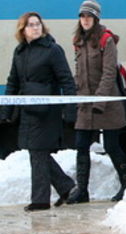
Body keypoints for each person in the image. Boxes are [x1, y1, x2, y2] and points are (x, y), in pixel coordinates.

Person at [0, 12, 77, 211]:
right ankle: (66, 187)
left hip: (46, 110)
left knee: (38, 152)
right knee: (36, 151)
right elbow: (13, 82)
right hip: (27, 109)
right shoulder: (20, 52)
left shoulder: (53, 50)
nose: (36, 28)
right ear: (22, 30)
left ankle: (41, 200)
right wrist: (6, 111)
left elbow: (66, 80)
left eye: (38, 24)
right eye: (31, 25)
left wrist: (70, 110)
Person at [67, 0, 126, 204]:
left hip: (107, 103)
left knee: (112, 145)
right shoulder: (78, 40)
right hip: (86, 103)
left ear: (96, 18)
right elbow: (78, 71)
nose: (85, 20)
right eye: (82, 16)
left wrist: (100, 100)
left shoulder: (106, 40)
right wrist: (78, 95)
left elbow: (109, 72)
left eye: (89, 16)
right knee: (81, 145)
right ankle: (82, 190)